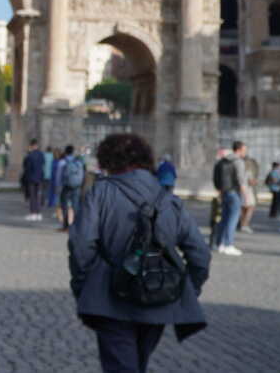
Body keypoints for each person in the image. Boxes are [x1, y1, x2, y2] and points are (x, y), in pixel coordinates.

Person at [69, 133, 210, 373]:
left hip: (109, 296)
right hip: (158, 296)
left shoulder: (99, 194)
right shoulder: (170, 200)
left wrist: (84, 286)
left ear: (108, 161)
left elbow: (81, 246)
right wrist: (186, 288)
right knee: (137, 364)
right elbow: (199, 253)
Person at [212, 141, 246, 255]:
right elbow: (241, 179)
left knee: (224, 218)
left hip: (224, 192)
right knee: (233, 219)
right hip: (234, 192)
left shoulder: (223, 160)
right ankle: (229, 244)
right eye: (244, 150)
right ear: (239, 150)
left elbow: (217, 176)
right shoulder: (238, 161)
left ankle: (220, 243)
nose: (245, 152)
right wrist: (244, 195)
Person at [58, 145, 85, 233]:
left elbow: (58, 176)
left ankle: (66, 226)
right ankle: (76, 226)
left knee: (64, 205)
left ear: (65, 151)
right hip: (77, 186)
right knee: (76, 206)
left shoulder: (63, 161)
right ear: (73, 152)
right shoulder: (79, 162)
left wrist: (57, 187)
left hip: (66, 186)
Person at [21, 138, 45, 221]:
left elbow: (26, 167)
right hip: (40, 177)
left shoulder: (29, 155)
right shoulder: (41, 154)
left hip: (31, 178)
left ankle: (33, 213)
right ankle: (39, 213)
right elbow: (43, 164)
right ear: (37, 145)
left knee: (32, 197)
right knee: (38, 196)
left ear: (31, 146)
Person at [240, 153, 259, 234]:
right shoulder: (248, 171)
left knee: (243, 208)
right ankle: (245, 224)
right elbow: (251, 181)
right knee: (250, 207)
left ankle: (242, 224)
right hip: (247, 190)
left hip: (241, 190)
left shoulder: (239, 169)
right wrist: (255, 182)